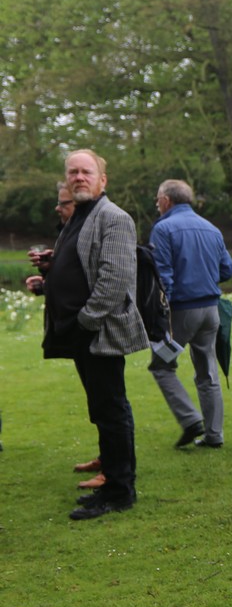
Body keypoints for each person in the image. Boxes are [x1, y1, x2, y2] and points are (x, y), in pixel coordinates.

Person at [26, 149, 149, 520]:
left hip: (99, 333)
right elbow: (81, 267)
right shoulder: (79, 216)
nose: (78, 177)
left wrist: (85, 322)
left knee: (111, 409)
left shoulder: (114, 218)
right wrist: (50, 274)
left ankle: (120, 491)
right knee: (101, 407)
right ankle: (110, 476)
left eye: (86, 172)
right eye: (73, 172)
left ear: (102, 180)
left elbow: (114, 281)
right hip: (82, 333)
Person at [148, 179, 232, 449]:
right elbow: (227, 270)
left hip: (182, 315)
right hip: (211, 313)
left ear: (166, 200)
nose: (157, 204)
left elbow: (163, 276)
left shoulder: (163, 229)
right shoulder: (211, 228)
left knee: (161, 366)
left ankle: (190, 420)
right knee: (208, 372)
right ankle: (214, 435)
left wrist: (161, 312)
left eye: (157, 199)